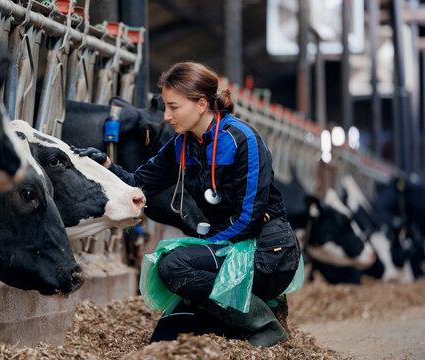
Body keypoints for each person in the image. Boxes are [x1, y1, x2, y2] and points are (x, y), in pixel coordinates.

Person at [73, 62, 301, 347]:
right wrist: (104, 165)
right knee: (167, 337)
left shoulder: (243, 140)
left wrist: (200, 250)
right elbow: (138, 180)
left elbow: (248, 219)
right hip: (227, 250)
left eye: (174, 107)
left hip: (267, 251)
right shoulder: (183, 145)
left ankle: (265, 324)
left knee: (174, 266)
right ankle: (259, 309)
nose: (167, 116)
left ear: (202, 104)